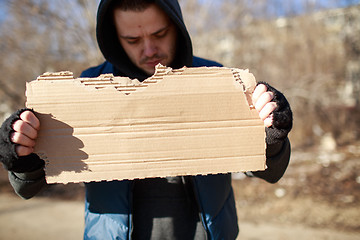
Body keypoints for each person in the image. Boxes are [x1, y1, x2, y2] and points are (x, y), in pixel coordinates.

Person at [0, 0, 293, 239]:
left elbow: (270, 172)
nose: (149, 50)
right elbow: (28, 188)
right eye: (132, 39)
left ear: (177, 26)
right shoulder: (86, 89)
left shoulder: (217, 79)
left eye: (160, 34)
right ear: (114, 38)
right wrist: (22, 155)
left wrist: (271, 137)